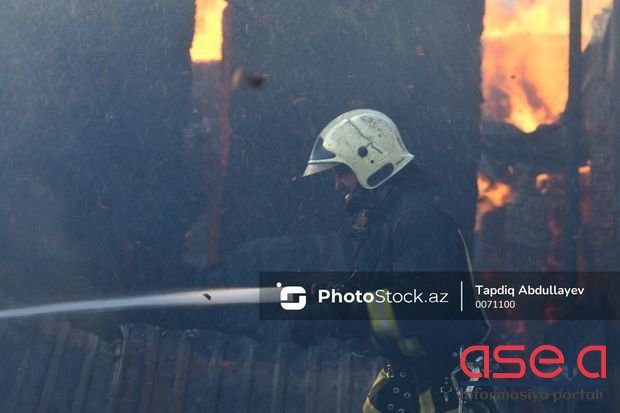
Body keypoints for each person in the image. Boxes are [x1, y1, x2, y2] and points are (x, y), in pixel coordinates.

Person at [302, 109, 494, 413]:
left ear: (370, 162)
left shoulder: (417, 221)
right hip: (408, 373)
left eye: (341, 172)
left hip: (444, 379)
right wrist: (330, 297)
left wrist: (344, 311)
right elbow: (376, 287)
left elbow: (416, 305)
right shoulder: (384, 222)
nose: (337, 185)